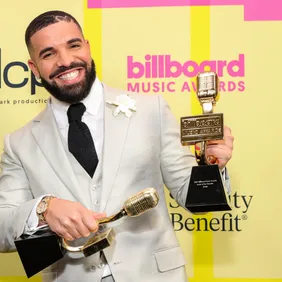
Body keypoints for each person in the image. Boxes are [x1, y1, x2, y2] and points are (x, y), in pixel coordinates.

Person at [0, 10, 234, 282]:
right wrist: (43, 209)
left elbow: (196, 201)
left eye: (73, 45)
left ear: (87, 47)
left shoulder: (151, 110)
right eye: (48, 54)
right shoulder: (18, 143)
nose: (65, 61)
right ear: (33, 67)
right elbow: (3, 227)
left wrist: (210, 166)